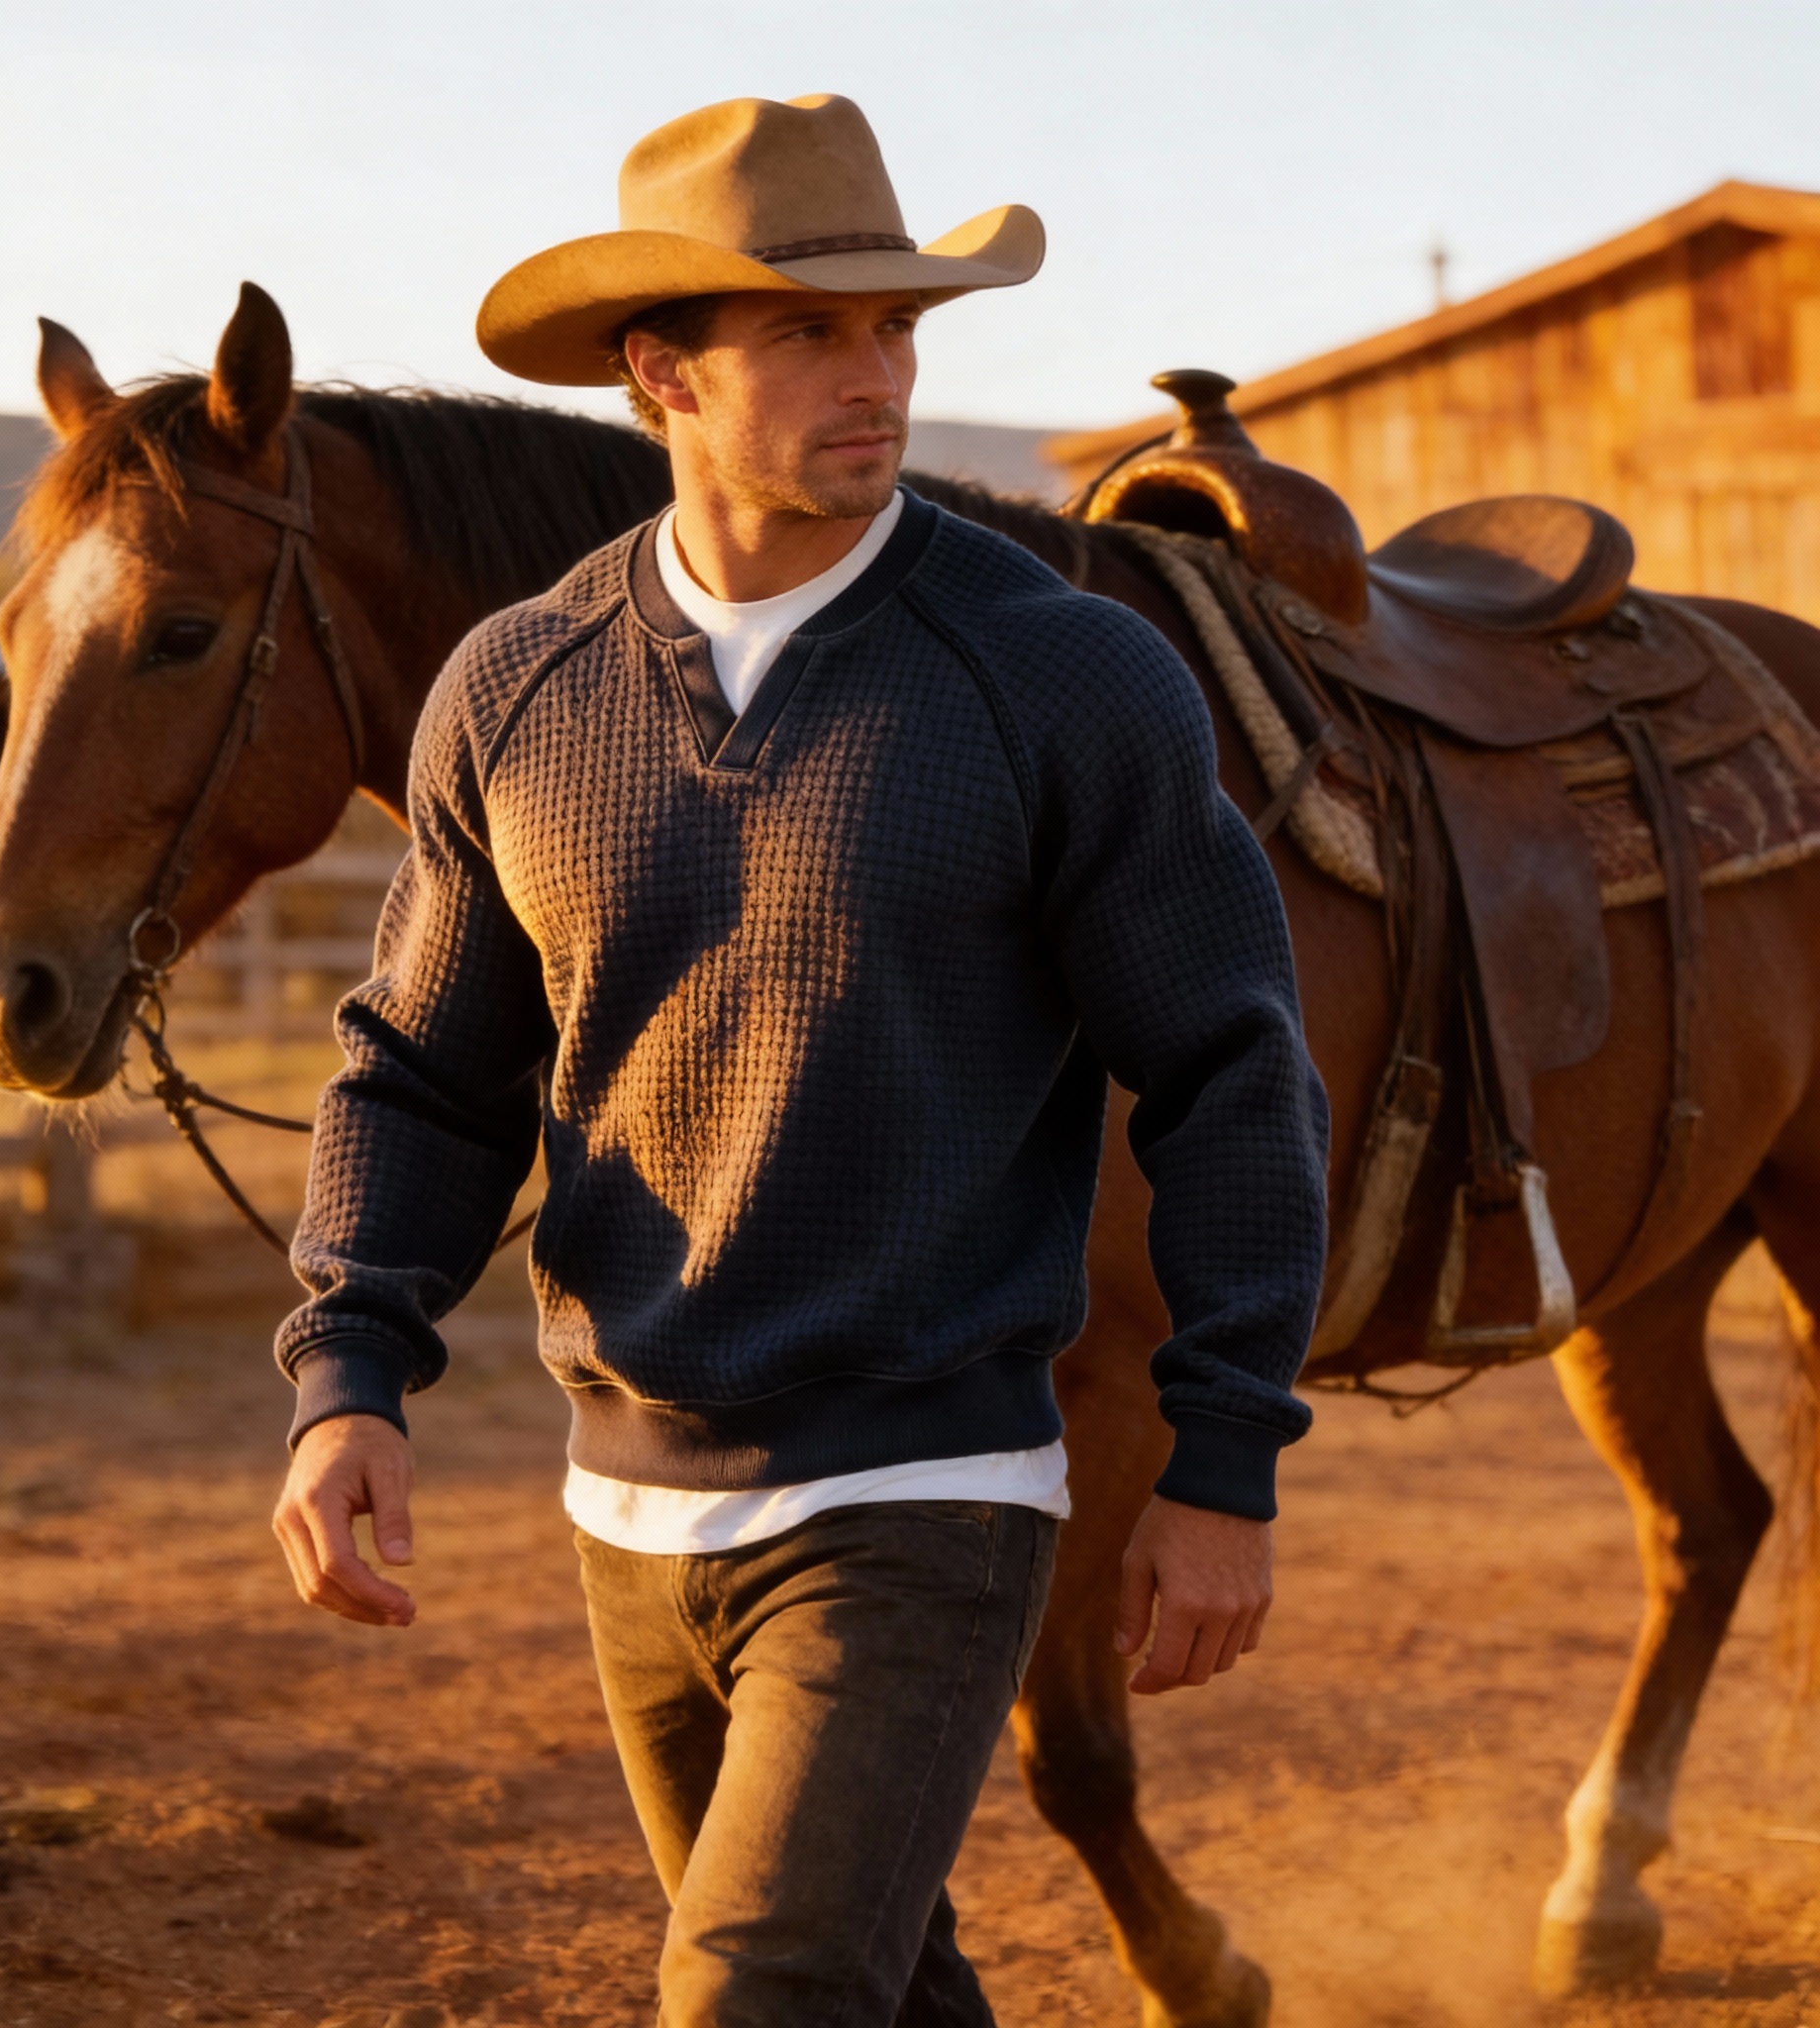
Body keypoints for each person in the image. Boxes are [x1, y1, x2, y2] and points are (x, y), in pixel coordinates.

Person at [270, 92, 1327, 2027]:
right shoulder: (512, 685)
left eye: (897, 327)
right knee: (878, 1990)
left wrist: (1224, 1451)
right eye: (813, 333)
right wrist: (350, 1370)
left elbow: (1231, 1070)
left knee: (756, 1994)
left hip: (926, 1481)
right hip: (628, 1508)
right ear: (660, 374)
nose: (881, 375)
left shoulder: (1065, 673)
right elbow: (424, 1069)